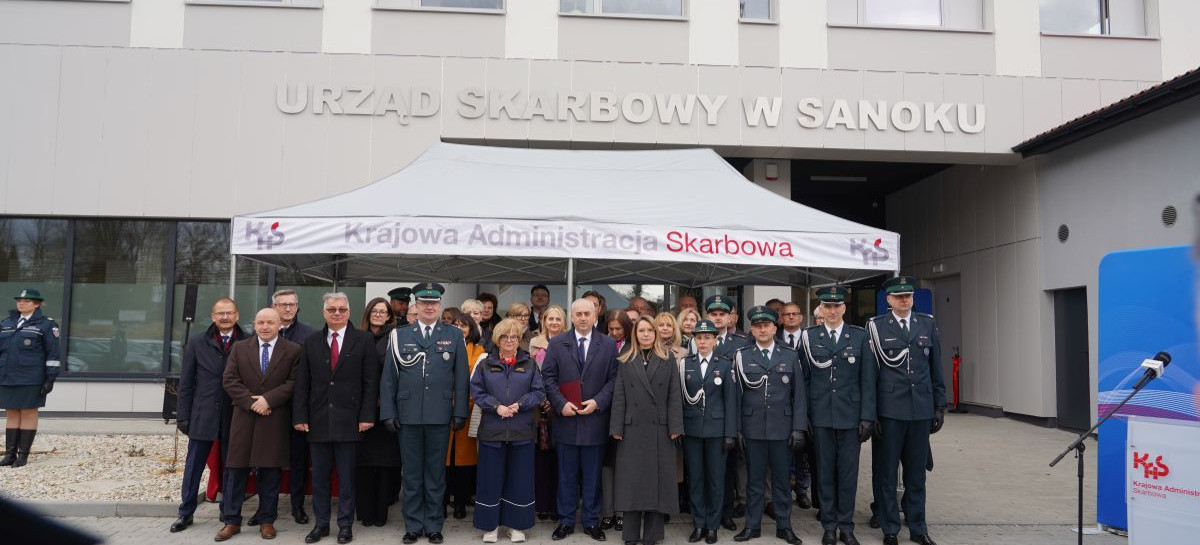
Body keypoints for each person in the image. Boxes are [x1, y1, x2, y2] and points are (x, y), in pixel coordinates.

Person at [379, 283, 470, 545]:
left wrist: (459, 412)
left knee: (435, 474)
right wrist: (388, 412)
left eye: (434, 303)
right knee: (411, 475)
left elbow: (461, 378)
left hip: (440, 415)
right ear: (415, 306)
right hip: (407, 415)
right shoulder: (399, 335)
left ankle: (433, 525)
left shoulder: (453, 335)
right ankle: (412, 525)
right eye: (424, 303)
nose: (429, 307)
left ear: (439, 306)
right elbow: (389, 379)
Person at [293, 292, 381, 544]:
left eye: (342, 309)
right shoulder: (310, 342)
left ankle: (345, 525)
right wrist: (300, 416)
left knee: (346, 479)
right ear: (324, 313)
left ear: (349, 312)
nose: (337, 313)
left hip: (351, 421)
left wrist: (367, 416)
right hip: (318, 420)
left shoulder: (363, 340)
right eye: (332, 309)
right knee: (319, 479)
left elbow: (370, 382)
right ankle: (321, 525)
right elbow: (302, 384)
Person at [866, 277, 945, 545]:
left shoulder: (927, 323)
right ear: (888, 300)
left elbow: (936, 367)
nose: (903, 300)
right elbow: (870, 376)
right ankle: (889, 527)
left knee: (916, 473)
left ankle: (917, 527)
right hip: (889, 411)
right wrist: (871, 413)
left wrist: (939, 405)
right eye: (898, 296)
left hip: (920, 410)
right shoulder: (876, 327)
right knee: (886, 472)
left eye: (907, 296)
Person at [215, 308, 302, 542]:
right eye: (261, 322)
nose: (265, 327)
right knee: (236, 471)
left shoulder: (293, 351)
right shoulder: (239, 348)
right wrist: (252, 403)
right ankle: (231, 521)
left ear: (279, 325)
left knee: (270, 472)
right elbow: (229, 379)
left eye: (270, 323)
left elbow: (294, 382)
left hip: (274, 418)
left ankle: (267, 520)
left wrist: (268, 400)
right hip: (244, 417)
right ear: (254, 324)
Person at [799, 288, 876, 545]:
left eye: (836, 306)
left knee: (848, 474)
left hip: (850, 417)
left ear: (844, 308)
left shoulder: (859, 336)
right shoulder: (809, 338)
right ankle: (829, 526)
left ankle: (846, 526)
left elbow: (868, 381)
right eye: (826, 306)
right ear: (820, 309)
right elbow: (803, 382)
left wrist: (867, 417)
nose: (831, 311)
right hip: (820, 417)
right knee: (825, 473)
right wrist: (804, 417)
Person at [541, 299, 620, 542]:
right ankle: (565, 521)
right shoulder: (556, 343)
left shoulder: (607, 344)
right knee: (566, 475)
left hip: (595, 420)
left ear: (596, 315)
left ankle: (590, 521)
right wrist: (560, 403)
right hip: (566, 420)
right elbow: (548, 377)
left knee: (593, 476)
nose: (583, 318)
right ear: (572, 317)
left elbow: (614, 379)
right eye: (579, 314)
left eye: (588, 313)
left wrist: (598, 401)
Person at [170, 297, 247, 533]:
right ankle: (186, 512)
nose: (225, 317)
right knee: (194, 466)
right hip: (202, 415)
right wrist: (183, 415)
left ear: (237, 315)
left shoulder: (248, 342)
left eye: (229, 313)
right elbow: (187, 383)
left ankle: (229, 511)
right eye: (220, 313)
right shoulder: (196, 342)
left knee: (232, 466)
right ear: (213, 316)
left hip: (234, 416)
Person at [733, 306, 806, 545]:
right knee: (754, 482)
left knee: (782, 482)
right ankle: (752, 527)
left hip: (782, 429)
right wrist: (738, 428)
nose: (762, 329)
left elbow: (799, 396)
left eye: (767, 325)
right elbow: (736, 396)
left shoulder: (789, 355)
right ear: (752, 330)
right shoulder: (742, 355)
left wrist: (798, 428)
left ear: (776, 327)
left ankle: (784, 527)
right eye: (757, 325)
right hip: (752, 428)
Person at [470, 318, 547, 543]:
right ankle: (490, 526)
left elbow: (538, 392)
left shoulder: (530, 363)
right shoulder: (486, 363)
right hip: (492, 431)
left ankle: (517, 525)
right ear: (498, 339)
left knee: (520, 479)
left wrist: (520, 404)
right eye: (505, 337)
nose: (510, 341)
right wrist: (496, 407)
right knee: (489, 479)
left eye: (514, 337)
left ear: (519, 340)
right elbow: (477, 391)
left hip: (522, 431)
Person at [610, 316, 684, 545]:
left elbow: (674, 395)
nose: (646, 334)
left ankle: (653, 535)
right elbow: (619, 395)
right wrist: (616, 426)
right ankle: (630, 535)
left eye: (650, 330)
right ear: (635, 333)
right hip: (632, 428)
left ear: (656, 333)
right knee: (631, 483)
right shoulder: (625, 359)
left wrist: (675, 426)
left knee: (657, 483)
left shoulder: (667, 359)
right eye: (641, 330)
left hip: (660, 429)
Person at [680, 320, 739, 544]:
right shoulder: (687, 364)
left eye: (707, 337)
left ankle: (713, 526)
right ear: (694, 340)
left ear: (715, 340)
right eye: (699, 337)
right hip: (692, 430)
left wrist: (730, 433)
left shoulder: (724, 365)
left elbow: (730, 402)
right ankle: (699, 524)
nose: (703, 341)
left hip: (717, 431)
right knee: (695, 479)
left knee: (716, 480)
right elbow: (681, 400)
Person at [272, 288, 319, 525]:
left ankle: (297, 506)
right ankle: (265, 509)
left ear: (298, 307)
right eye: (282, 304)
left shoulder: (310, 335)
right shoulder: (263, 331)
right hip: (269, 409)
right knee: (267, 461)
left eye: (291, 304)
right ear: (274, 308)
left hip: (297, 409)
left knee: (299, 461)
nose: (287, 308)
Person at [0, 288, 61, 469]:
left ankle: (23, 455)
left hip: (31, 377)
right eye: (19, 300)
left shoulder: (47, 325)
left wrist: (50, 378)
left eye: (27, 301)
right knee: (11, 412)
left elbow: (53, 353)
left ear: (36, 304)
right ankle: (10, 454)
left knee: (28, 412)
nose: (21, 303)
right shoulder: (6, 323)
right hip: (7, 375)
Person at [356, 298, 402, 528]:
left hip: (386, 408)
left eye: (383, 311)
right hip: (360, 409)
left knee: (385, 463)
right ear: (368, 313)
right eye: (374, 311)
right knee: (362, 464)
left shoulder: (395, 338)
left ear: (389, 316)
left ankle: (380, 512)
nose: (378, 314)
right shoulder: (356, 336)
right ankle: (364, 511)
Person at [528, 308, 566, 523]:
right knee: (541, 459)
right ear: (543, 321)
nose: (553, 322)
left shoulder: (569, 342)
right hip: (539, 409)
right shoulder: (535, 343)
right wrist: (542, 398)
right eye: (550, 318)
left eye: (557, 318)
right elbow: (533, 374)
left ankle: (557, 506)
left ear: (563, 321)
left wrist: (557, 400)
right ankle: (542, 504)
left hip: (561, 407)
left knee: (561, 460)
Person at [776, 302, 814, 512]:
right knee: (786, 452)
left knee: (804, 452)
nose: (790, 317)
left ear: (801, 317)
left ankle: (802, 489)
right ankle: (785, 490)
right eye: (786, 314)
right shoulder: (774, 338)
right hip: (782, 405)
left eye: (794, 314)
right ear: (780, 318)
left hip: (807, 403)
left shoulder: (810, 338)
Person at [447, 313, 485, 521]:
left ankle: (460, 504)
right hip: (442, 411)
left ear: (471, 328)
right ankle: (442, 503)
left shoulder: (479, 351)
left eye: (464, 325)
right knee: (442, 462)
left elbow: (477, 382)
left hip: (468, 412)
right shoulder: (442, 346)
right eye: (456, 324)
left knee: (463, 463)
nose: (460, 328)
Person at [599, 309, 632, 531]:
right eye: (610, 329)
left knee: (625, 465)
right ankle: (607, 512)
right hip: (603, 412)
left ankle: (623, 512)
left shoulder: (634, 347)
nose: (613, 333)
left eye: (618, 329)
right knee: (606, 465)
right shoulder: (601, 345)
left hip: (628, 413)